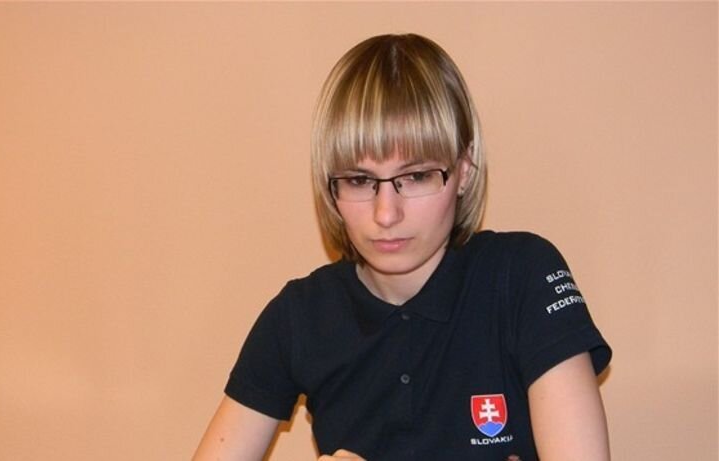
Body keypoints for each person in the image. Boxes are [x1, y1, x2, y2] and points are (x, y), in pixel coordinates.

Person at [193, 33, 612, 461]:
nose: (386, 213)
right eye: (359, 180)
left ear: (464, 169)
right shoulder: (299, 316)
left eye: (416, 176)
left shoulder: (523, 277)